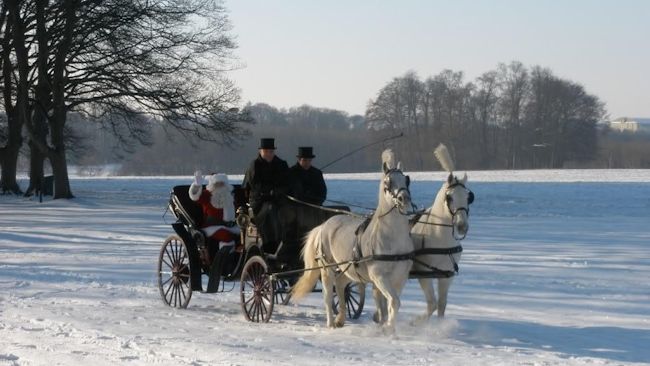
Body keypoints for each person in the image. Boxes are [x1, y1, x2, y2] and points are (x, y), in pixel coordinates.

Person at [242, 138, 290, 254]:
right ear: (261, 151)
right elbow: (254, 186)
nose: (269, 154)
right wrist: (268, 192)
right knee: (271, 209)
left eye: (271, 152)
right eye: (266, 151)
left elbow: (287, 183)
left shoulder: (282, 164)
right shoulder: (255, 165)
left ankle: (289, 241)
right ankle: (272, 244)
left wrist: (279, 192)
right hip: (259, 201)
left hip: (278, 199)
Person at [189, 171, 240, 250]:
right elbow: (195, 197)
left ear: (225, 184)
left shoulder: (229, 196)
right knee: (226, 236)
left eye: (221, 183)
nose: (219, 186)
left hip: (231, 225)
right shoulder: (207, 195)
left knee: (246, 235)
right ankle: (222, 261)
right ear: (212, 185)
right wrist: (197, 185)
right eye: (217, 184)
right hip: (212, 226)